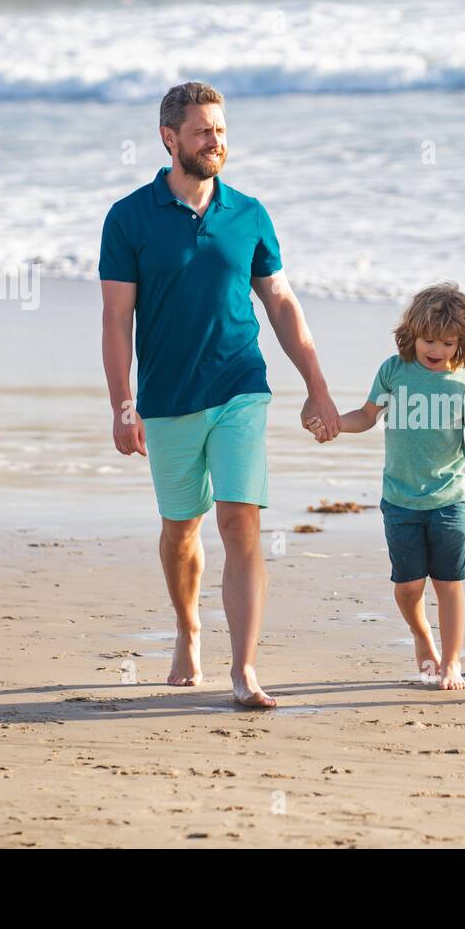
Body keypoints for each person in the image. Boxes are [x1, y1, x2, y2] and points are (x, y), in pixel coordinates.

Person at [99, 81, 340, 708]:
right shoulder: (128, 218)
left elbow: (281, 303)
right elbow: (115, 320)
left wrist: (317, 386)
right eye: (204, 131)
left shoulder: (249, 213)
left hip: (240, 386)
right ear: (169, 138)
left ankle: (244, 670)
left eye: (222, 131)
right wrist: (123, 405)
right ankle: (187, 627)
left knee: (241, 524)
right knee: (182, 530)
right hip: (168, 398)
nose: (217, 141)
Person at [306, 284, 465, 689]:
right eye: (429, 340)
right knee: (408, 586)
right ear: (412, 334)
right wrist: (335, 424)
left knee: (448, 583)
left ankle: (453, 662)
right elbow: (367, 416)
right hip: (400, 498)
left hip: (450, 498)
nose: (437, 349)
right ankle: (421, 634)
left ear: (462, 341)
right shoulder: (394, 370)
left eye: (448, 342)